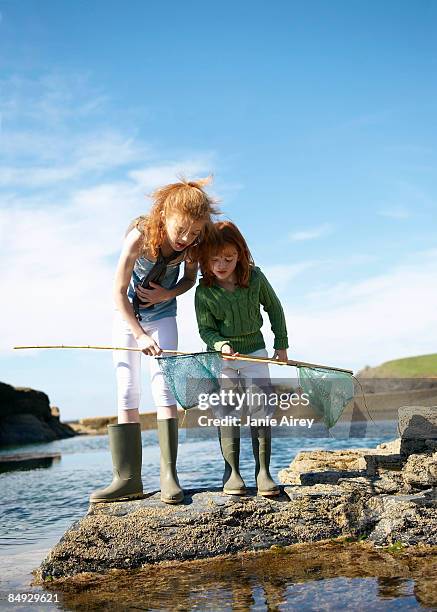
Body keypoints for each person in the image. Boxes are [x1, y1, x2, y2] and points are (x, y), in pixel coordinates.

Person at [90, 177, 220, 504]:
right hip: (127, 318)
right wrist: (138, 334)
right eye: (181, 230)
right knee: (127, 388)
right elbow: (118, 293)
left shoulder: (192, 246)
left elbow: (189, 280)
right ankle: (127, 478)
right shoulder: (139, 237)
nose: (186, 238)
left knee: (164, 388)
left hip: (163, 316)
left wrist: (167, 292)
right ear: (164, 214)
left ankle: (169, 476)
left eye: (195, 232)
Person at [195, 221, 289, 497]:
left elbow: (275, 309)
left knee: (261, 411)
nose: (222, 264)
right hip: (224, 359)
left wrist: (281, 346)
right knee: (227, 413)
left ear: (241, 255)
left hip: (256, 354)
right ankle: (233, 472)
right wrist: (220, 344)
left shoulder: (256, 278)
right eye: (214, 259)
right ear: (204, 259)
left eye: (229, 258)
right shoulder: (203, 291)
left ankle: (263, 472)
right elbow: (206, 329)